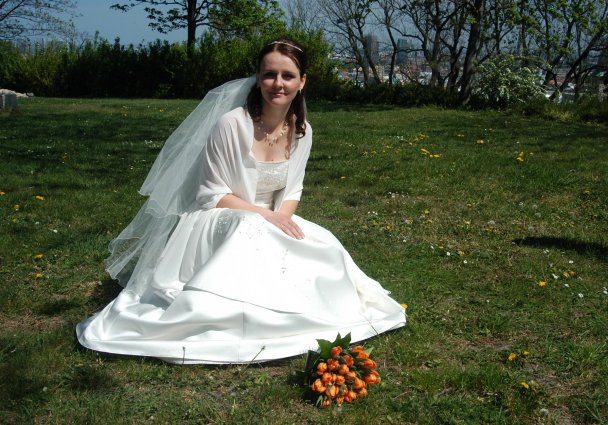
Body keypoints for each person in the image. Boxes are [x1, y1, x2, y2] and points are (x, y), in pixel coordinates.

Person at [76, 38, 406, 364]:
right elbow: (211, 195)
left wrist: (281, 220)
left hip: (271, 217)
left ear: (302, 82)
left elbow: (293, 191)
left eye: (288, 76)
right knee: (249, 228)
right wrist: (265, 217)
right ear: (258, 78)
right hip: (219, 216)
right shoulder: (231, 124)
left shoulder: (302, 131)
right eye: (269, 74)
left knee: (322, 244)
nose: (278, 84)